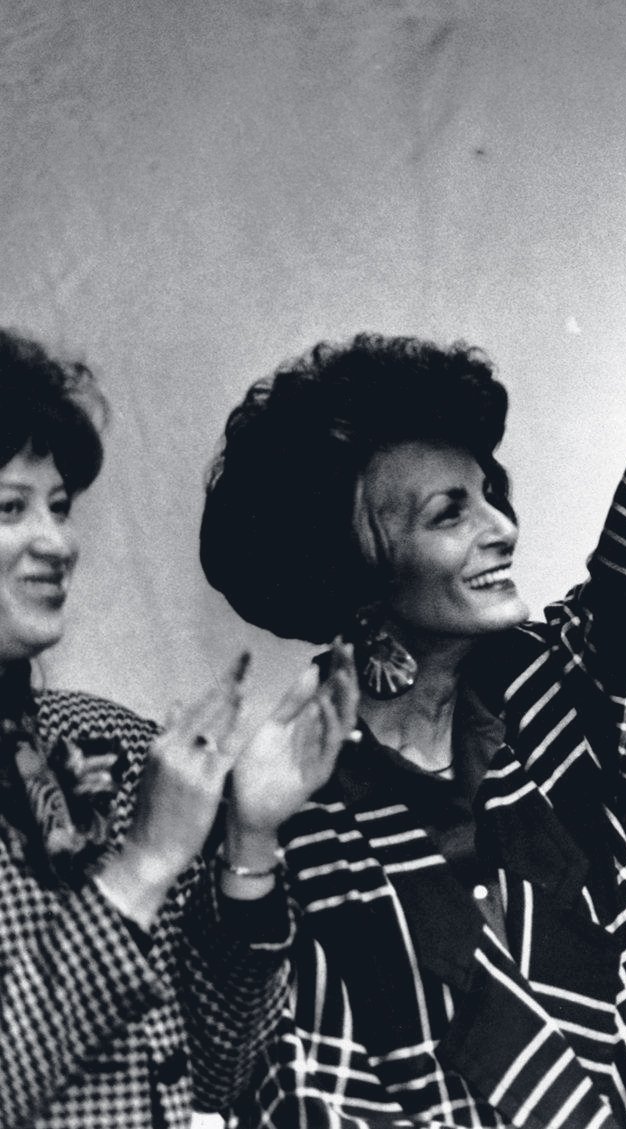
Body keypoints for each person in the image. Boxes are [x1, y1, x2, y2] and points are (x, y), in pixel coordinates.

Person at [197, 41, 626, 1129]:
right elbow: (232, 1066)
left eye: (489, 493)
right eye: (448, 512)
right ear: (354, 575)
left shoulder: (555, 705)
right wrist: (246, 853)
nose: (500, 528)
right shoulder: (283, 802)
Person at [0, 329, 358, 1128]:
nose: (57, 542)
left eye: (59, 506)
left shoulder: (111, 745)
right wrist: (142, 866)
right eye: (11, 508)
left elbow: (223, 1068)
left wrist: (250, 844)